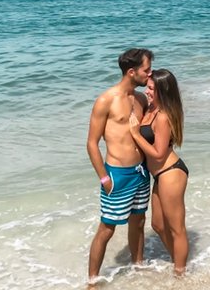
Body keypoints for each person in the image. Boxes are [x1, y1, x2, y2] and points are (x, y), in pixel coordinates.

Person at [86, 48, 153, 285]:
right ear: (132, 71)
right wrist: (105, 179)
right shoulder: (106, 100)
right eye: (146, 69)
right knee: (107, 228)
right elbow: (92, 144)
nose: (150, 73)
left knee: (139, 220)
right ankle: (92, 281)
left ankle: (138, 265)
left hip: (141, 172)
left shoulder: (141, 99)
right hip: (117, 174)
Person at [129, 68, 189, 276]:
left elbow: (158, 154)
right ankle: (178, 261)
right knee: (157, 224)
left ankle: (181, 275)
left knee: (177, 228)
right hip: (159, 176)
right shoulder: (151, 109)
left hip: (171, 172)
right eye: (147, 86)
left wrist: (136, 135)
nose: (147, 91)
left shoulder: (163, 117)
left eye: (152, 88)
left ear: (163, 91)